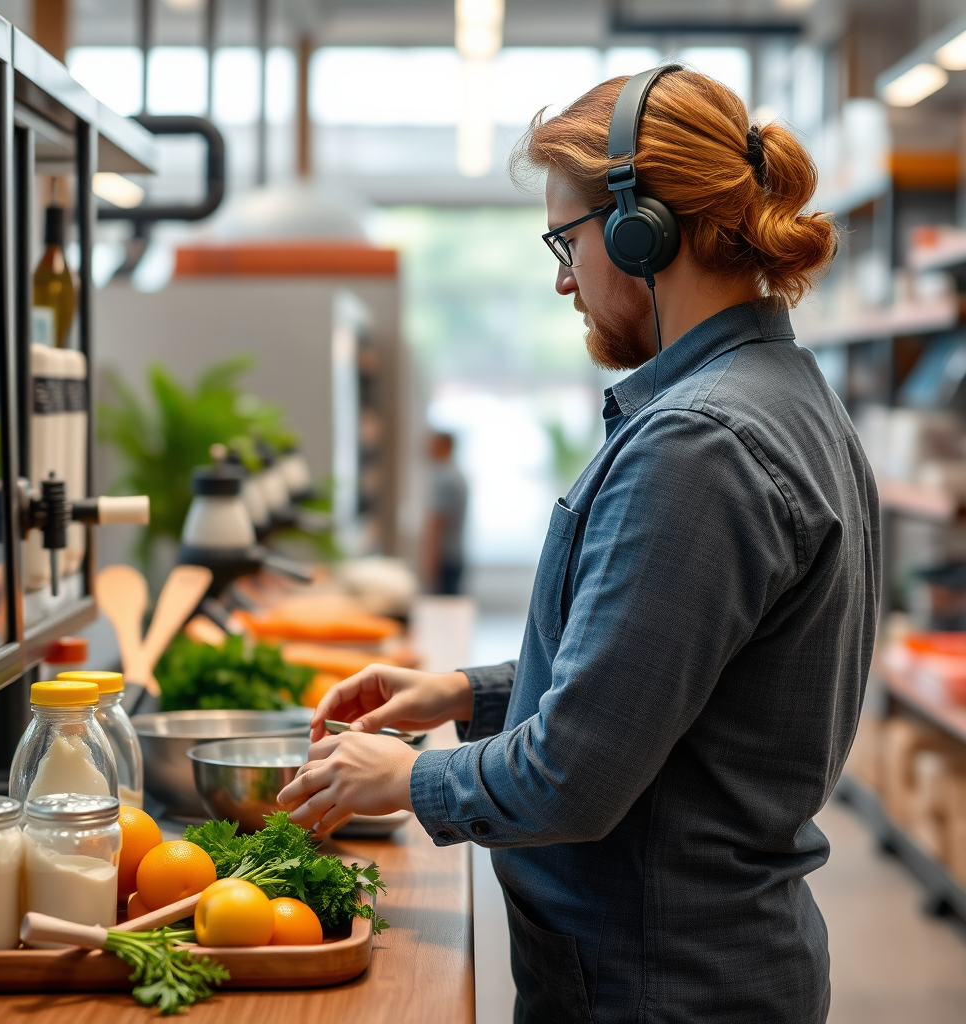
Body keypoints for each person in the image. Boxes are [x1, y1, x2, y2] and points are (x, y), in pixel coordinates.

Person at [279, 66, 879, 1024]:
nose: (562, 277)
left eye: (567, 240)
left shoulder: (701, 443)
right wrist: (467, 694)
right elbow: (664, 669)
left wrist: (405, 777)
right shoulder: (782, 395)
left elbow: (575, 779)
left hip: (653, 986)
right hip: (696, 965)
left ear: (647, 229)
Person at [422, 430, 468, 595]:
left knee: (443, 609)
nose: (429, 448)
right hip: (455, 555)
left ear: (445, 446)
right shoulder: (457, 475)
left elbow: (438, 522)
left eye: (434, 443)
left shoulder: (445, 478)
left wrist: (431, 562)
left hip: (445, 557)